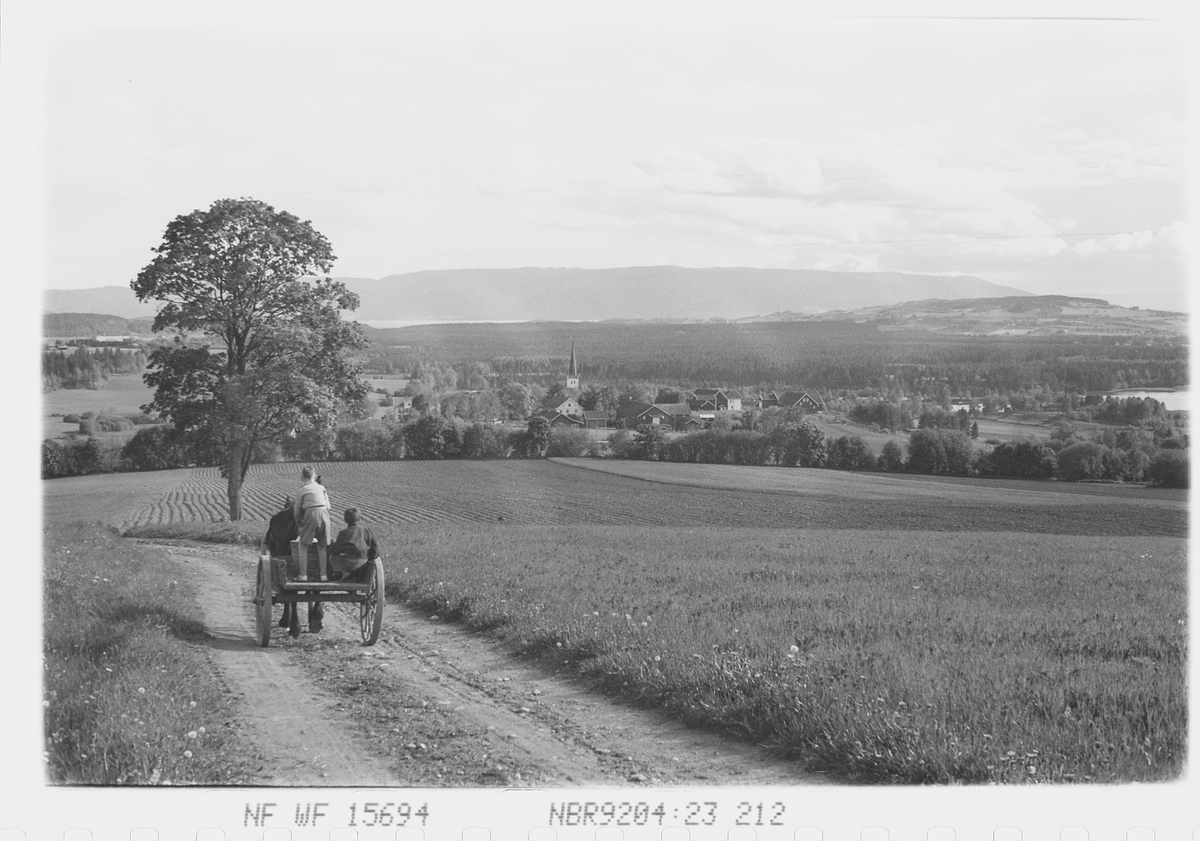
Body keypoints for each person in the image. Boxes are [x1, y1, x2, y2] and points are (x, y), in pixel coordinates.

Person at [292, 465, 331, 582]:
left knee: (303, 545)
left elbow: (296, 510)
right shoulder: (322, 488)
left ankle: (303, 575)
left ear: (302, 477)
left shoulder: (302, 490)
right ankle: (323, 575)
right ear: (314, 475)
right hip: (324, 514)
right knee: (322, 545)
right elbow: (328, 506)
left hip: (310, 514)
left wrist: (300, 524)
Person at [327, 507, 381, 583]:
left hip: (348, 564)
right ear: (360, 519)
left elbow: (335, 551)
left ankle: (345, 573)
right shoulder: (366, 531)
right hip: (363, 562)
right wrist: (371, 558)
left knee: (332, 558)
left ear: (345, 520)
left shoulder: (343, 533)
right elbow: (375, 546)